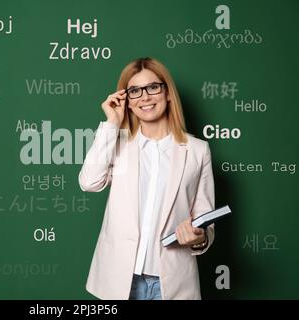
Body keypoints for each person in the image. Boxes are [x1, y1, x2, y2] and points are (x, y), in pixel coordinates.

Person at [78, 57, 215, 300]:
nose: (145, 97)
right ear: (127, 101)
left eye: (153, 87)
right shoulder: (118, 144)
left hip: (172, 282)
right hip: (120, 279)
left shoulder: (197, 150)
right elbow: (89, 182)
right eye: (135, 91)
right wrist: (112, 123)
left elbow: (206, 219)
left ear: (168, 93)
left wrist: (199, 237)